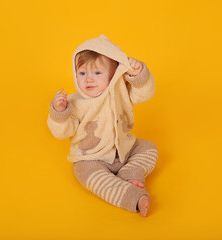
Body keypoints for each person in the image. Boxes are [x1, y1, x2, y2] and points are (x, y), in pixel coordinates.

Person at [47, 34, 158, 217]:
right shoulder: (74, 103)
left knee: (149, 147)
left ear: (114, 74)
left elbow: (145, 94)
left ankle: (130, 172)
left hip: (124, 150)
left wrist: (138, 75)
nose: (88, 79)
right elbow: (61, 132)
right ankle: (133, 197)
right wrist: (59, 112)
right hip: (90, 159)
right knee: (92, 178)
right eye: (82, 73)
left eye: (97, 73)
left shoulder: (122, 91)